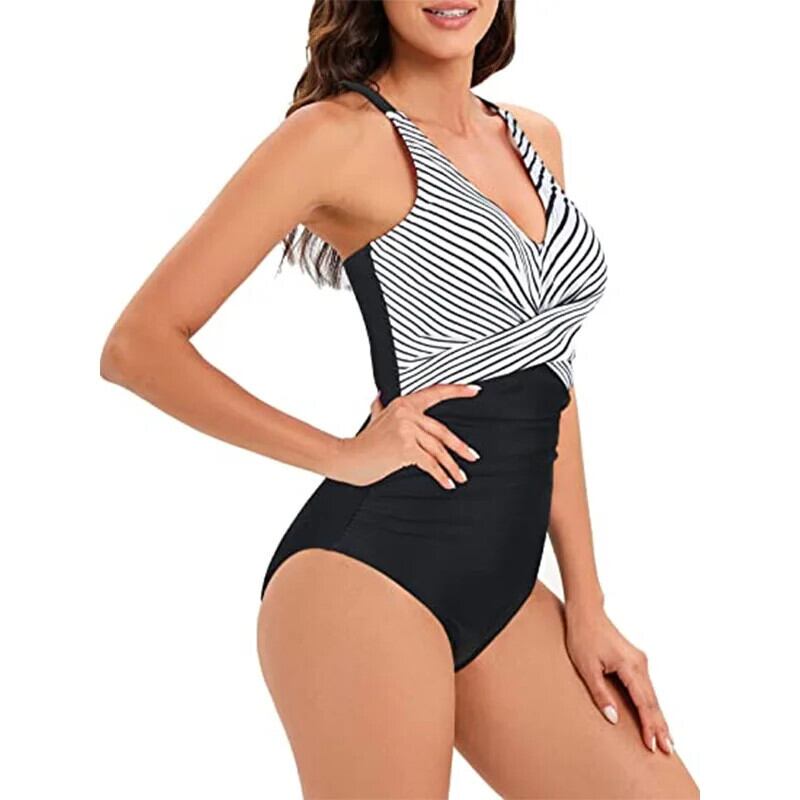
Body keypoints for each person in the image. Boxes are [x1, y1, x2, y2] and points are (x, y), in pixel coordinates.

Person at [100, 1, 700, 797]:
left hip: (502, 581)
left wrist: (587, 604)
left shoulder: (535, 138)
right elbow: (138, 345)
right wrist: (341, 455)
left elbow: (550, 372)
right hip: (369, 574)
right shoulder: (336, 138)